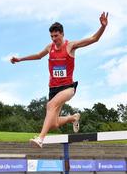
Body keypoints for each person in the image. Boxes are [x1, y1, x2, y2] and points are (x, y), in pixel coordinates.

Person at [10, 12, 108, 148]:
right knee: (54, 123)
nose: (54, 39)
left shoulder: (71, 46)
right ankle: (73, 118)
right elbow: (38, 55)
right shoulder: (50, 47)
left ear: (62, 34)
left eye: (56, 36)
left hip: (68, 87)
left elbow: (93, 39)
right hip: (53, 88)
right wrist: (20, 59)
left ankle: (40, 138)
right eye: (51, 36)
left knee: (50, 106)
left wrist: (102, 27)